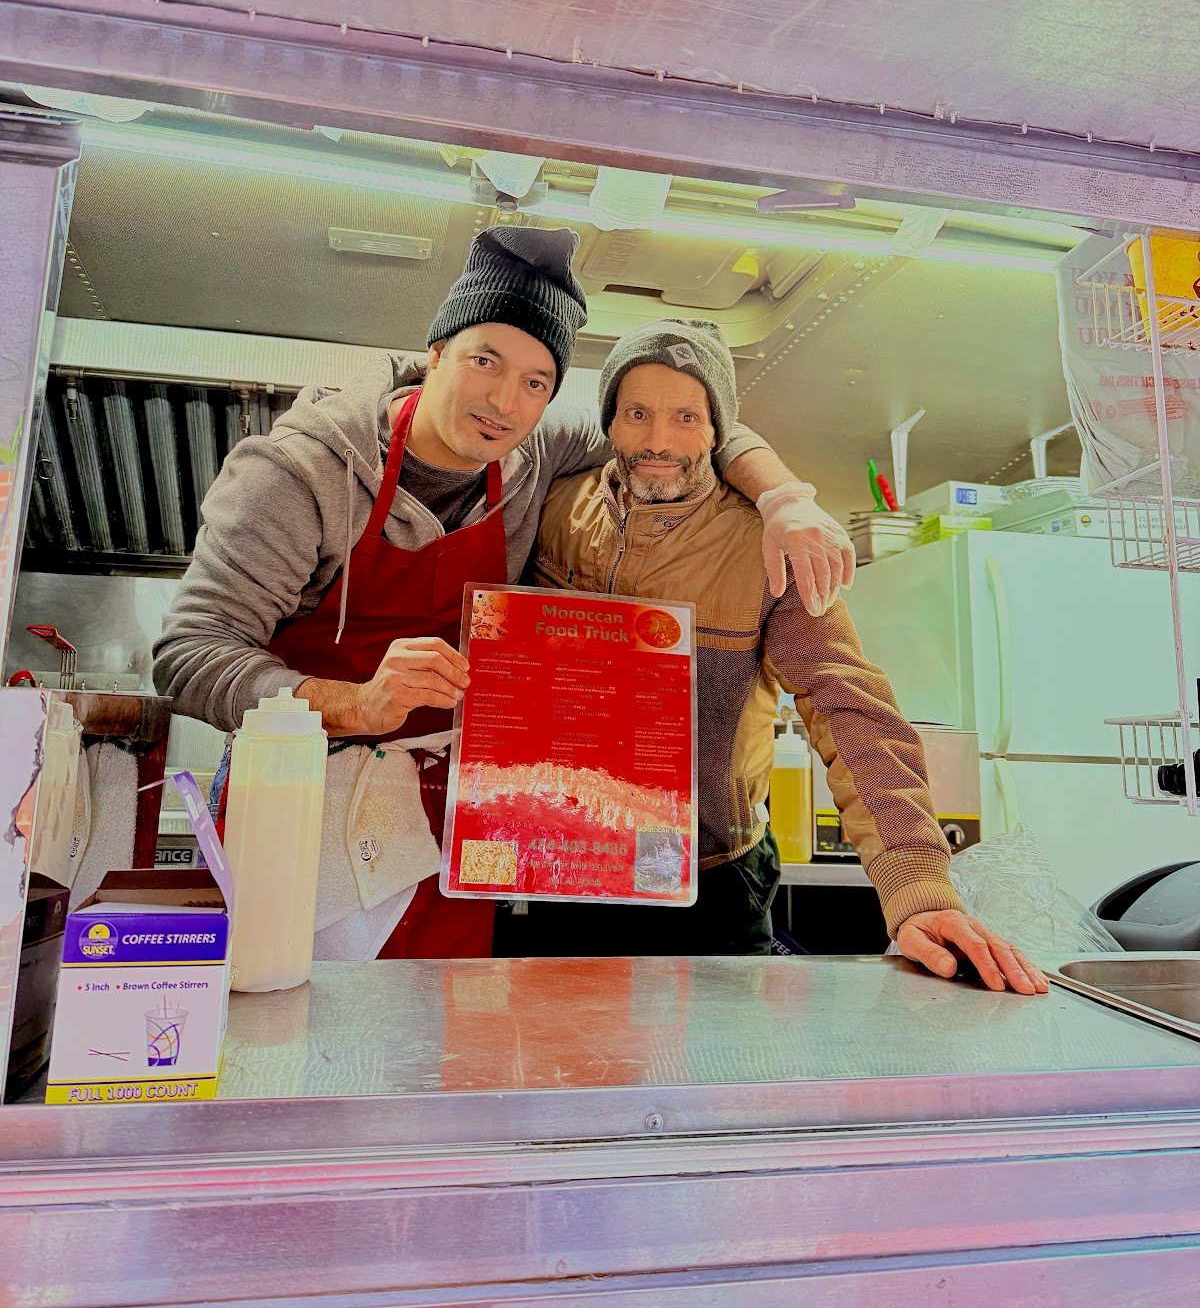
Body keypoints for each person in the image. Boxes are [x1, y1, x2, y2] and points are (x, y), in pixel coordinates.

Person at [152, 227, 854, 961]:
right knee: (286, 1033)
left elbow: (681, 431)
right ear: (434, 354)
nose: (504, 401)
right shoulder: (302, 475)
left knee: (441, 1052)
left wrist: (785, 499)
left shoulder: (537, 452)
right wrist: (352, 703)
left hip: (451, 835)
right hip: (298, 816)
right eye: (484, 360)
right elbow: (188, 653)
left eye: (535, 382)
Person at [512, 317, 1048, 993]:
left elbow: (850, 707)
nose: (658, 441)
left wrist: (919, 886)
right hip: (564, 862)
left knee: (714, 1078)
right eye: (637, 414)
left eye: (686, 417)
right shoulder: (554, 509)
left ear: (718, 432)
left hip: (711, 882)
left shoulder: (769, 548)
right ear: (609, 423)